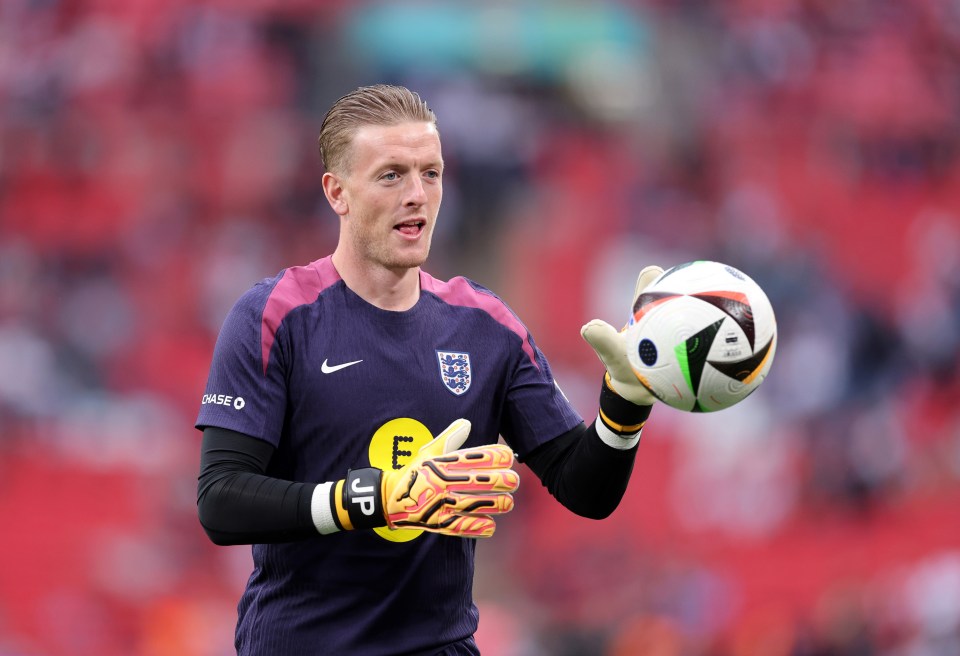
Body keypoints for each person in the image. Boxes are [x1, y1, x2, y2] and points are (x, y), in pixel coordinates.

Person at [196, 83, 662, 656]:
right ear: (336, 192)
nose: (417, 194)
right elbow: (221, 501)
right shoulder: (274, 315)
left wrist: (625, 404)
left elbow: (584, 488)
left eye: (431, 173)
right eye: (392, 175)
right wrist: (380, 498)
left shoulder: (485, 325)